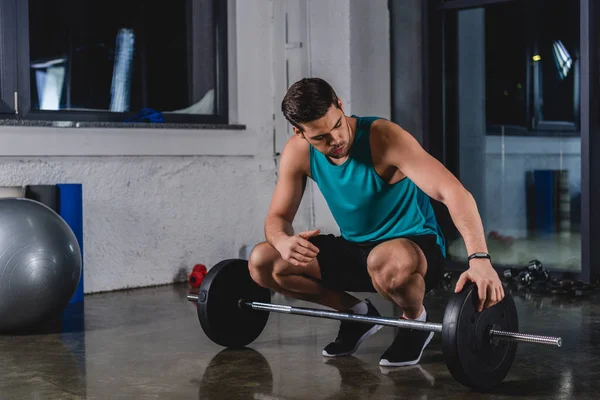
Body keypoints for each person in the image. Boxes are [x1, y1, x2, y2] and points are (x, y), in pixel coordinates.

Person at [248, 77, 504, 367]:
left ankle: (415, 321)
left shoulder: (383, 137)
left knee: (384, 261)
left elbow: (453, 193)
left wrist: (479, 258)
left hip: (414, 248)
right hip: (356, 249)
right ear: (300, 132)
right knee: (262, 261)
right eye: (320, 138)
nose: (336, 141)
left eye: (336, 125)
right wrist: (282, 241)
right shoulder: (298, 152)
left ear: (340, 106)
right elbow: (277, 218)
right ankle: (356, 315)